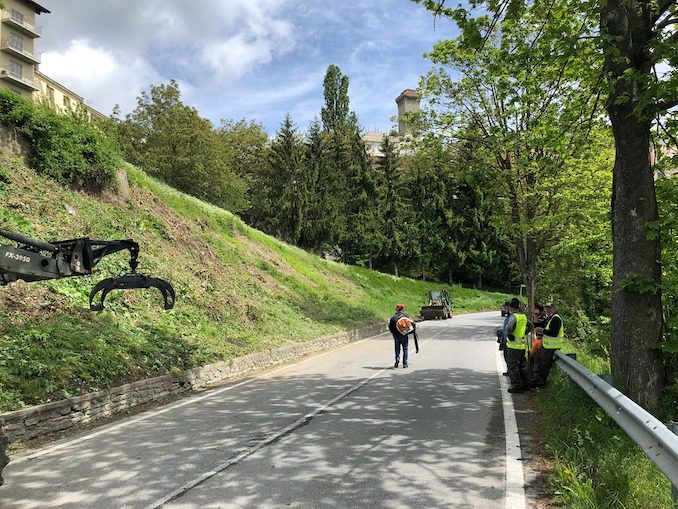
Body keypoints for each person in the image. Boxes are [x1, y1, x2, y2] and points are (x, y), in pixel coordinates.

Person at [531, 302, 564, 387]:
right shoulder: (550, 317)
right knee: (539, 361)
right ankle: (537, 381)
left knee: (544, 365)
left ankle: (541, 383)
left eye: (549, 308)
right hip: (546, 345)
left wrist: (542, 331)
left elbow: (553, 333)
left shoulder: (556, 318)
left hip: (552, 346)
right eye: (546, 308)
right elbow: (541, 324)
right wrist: (532, 324)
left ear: (554, 309)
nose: (547, 310)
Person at [504, 297, 534, 393]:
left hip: (513, 346)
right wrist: (524, 332)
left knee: (513, 367)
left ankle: (517, 386)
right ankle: (526, 384)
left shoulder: (513, 317)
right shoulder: (523, 317)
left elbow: (508, 328)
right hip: (522, 346)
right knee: (523, 366)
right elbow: (531, 326)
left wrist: (509, 335)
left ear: (511, 308)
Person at [388, 304, 418, 368]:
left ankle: (397, 359)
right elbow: (412, 324)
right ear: (402, 309)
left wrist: (394, 334)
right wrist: (408, 332)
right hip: (404, 335)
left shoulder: (393, 317)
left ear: (396, 309)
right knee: (405, 349)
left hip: (396, 336)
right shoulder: (405, 316)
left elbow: (390, 327)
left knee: (397, 349)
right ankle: (405, 363)